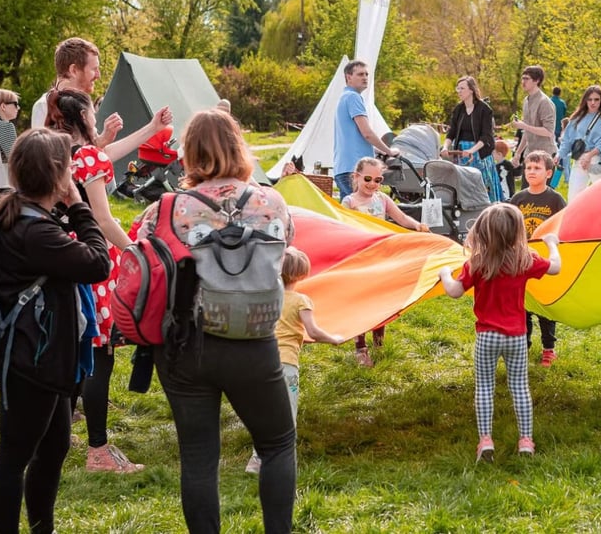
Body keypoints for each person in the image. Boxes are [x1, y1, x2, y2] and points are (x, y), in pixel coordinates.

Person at [137, 108, 297, 533]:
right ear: (237, 146)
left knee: (198, 456)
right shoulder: (271, 200)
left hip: (186, 344)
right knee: (278, 444)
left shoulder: (165, 208)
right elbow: (287, 248)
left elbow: (142, 261)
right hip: (255, 340)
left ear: (189, 153)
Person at [0, 128, 111, 534]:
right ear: (56, 175)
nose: (74, 171)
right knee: (14, 456)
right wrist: (78, 205)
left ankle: (44, 528)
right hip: (30, 362)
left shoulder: (20, 213)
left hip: (39, 356)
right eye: (69, 166)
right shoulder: (36, 231)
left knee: (55, 445)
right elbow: (97, 262)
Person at [45, 88, 172, 473]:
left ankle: (58, 437)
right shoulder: (88, 156)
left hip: (58, 255)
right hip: (93, 257)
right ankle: (98, 450)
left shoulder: (56, 153)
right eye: (93, 114)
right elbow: (102, 218)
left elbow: (108, 154)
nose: (97, 118)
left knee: (70, 353)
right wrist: (136, 250)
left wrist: (150, 128)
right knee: (98, 356)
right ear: (83, 118)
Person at [438, 204, 562, 460]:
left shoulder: (477, 262)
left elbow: (454, 291)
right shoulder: (525, 259)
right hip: (516, 336)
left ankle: (485, 440)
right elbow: (555, 268)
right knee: (520, 387)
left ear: (482, 231)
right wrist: (552, 243)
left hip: (487, 337)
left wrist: (443, 274)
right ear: (517, 231)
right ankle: (526, 440)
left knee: (484, 387)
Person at [245, 247, 344, 474]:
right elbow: (314, 331)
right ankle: (282, 463)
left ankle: (256, 460)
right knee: (286, 416)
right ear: (302, 274)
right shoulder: (301, 301)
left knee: (263, 413)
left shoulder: (267, 297)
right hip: (285, 365)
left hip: (260, 363)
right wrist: (334, 339)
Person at [341, 157, 429, 367]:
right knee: (361, 303)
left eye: (378, 180)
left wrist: (417, 226)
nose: (373, 184)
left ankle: (379, 344)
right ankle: (360, 347)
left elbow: (402, 218)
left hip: (380, 259)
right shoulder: (349, 202)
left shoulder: (382, 200)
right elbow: (342, 228)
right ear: (356, 177)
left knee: (380, 300)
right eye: (368, 179)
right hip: (359, 260)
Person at [509, 151, 566, 366]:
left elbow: (563, 225)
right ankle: (523, 347)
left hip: (544, 261)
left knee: (544, 306)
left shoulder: (555, 199)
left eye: (537, 168)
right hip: (521, 259)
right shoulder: (518, 198)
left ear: (548, 173)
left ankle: (549, 348)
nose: (531, 172)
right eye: (528, 168)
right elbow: (509, 225)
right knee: (523, 304)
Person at [31, 38, 120, 147]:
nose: (98, 75)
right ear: (74, 70)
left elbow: (88, 151)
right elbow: (42, 157)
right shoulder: (43, 106)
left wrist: (104, 139)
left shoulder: (83, 104)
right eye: (94, 69)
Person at [333, 60, 399, 200]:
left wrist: (376, 150)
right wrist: (389, 151)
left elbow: (354, 136)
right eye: (360, 74)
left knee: (349, 215)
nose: (365, 78)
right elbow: (367, 133)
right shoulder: (353, 97)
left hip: (343, 167)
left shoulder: (344, 98)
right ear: (348, 77)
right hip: (355, 168)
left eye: (367, 74)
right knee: (362, 214)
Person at [442, 76, 501, 202]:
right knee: (463, 186)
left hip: (479, 152)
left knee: (483, 186)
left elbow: (486, 136)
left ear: (471, 90)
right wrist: (445, 147)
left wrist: (472, 150)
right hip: (461, 152)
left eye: (462, 88)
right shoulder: (458, 109)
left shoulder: (484, 109)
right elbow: (451, 132)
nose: (459, 91)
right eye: (457, 88)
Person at [556, 85, 601, 199]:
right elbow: (567, 139)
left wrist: (590, 155)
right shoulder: (577, 117)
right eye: (590, 99)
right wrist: (559, 155)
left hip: (597, 159)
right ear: (585, 100)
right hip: (579, 158)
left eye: (596, 99)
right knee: (573, 196)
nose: (593, 102)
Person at [510, 65, 558, 179]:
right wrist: (517, 154)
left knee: (542, 196)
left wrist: (524, 125)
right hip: (530, 155)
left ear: (537, 81)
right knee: (526, 194)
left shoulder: (545, 102)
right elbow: (527, 132)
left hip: (545, 157)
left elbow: (548, 131)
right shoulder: (526, 101)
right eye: (522, 78)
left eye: (527, 79)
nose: (523, 82)